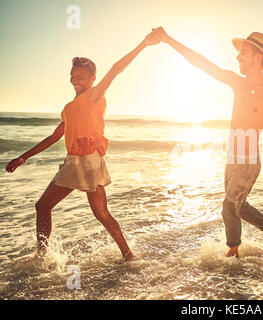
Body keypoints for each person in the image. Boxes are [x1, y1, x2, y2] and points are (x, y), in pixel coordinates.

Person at [5, 30, 162, 261]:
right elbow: (54, 137)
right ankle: (125, 254)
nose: (75, 79)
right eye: (72, 75)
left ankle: (44, 257)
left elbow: (116, 69)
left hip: (87, 162)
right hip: (75, 162)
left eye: (80, 76)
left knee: (62, 208)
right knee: (79, 211)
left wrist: (143, 44)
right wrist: (22, 158)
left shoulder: (95, 96)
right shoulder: (70, 107)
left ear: (92, 80)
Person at [152, 27, 263, 258]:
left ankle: (233, 253)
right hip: (232, 158)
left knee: (229, 206)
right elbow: (202, 63)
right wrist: (169, 39)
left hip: (249, 160)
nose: (237, 56)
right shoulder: (237, 82)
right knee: (238, 206)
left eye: (243, 52)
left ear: (258, 57)